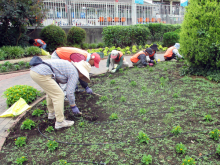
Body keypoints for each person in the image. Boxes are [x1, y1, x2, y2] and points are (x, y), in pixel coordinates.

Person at [30, 60, 91, 129]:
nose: (82, 77)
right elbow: (69, 92)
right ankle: (60, 122)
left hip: (35, 71)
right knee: (59, 95)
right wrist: (73, 106)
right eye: (83, 75)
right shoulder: (74, 72)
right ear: (81, 71)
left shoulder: (70, 66)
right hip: (41, 73)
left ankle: (52, 113)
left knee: (52, 93)